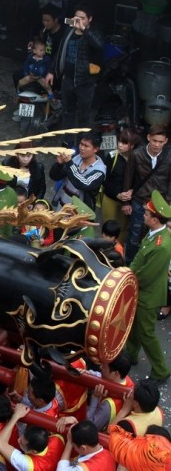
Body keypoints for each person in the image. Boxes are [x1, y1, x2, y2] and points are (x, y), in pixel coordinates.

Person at [123, 190, 171, 383]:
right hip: (142, 292)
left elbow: (147, 275)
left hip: (148, 295)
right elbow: (139, 259)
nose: (143, 216)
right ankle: (131, 355)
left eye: (146, 214)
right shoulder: (154, 235)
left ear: (154, 220)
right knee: (135, 326)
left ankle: (160, 370)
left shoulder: (161, 245)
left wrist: (127, 281)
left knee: (146, 333)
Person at [46, 3, 103, 147]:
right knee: (68, 112)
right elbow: (59, 53)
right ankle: (68, 142)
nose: (78, 20)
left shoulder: (93, 33)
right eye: (76, 17)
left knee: (84, 116)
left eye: (82, 18)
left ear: (89, 19)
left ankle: (82, 145)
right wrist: (52, 71)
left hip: (85, 83)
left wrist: (84, 30)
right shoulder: (69, 32)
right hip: (68, 80)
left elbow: (99, 45)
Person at [120, 125, 171, 263]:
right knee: (134, 236)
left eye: (160, 142)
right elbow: (128, 177)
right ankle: (130, 267)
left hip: (160, 203)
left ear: (165, 141)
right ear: (148, 138)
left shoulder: (168, 156)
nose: (157, 144)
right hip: (139, 201)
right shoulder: (137, 154)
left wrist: (168, 205)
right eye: (154, 140)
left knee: (157, 237)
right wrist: (125, 202)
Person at [0, 403, 65, 471]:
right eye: (22, 437)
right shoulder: (58, 439)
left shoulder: (29, 465)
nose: (18, 440)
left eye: (21, 442)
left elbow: (0, 443)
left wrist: (16, 416)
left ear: (33, 451)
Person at [100, 128, 141, 243]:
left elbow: (139, 180)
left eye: (124, 143)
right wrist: (117, 194)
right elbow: (104, 180)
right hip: (110, 198)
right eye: (119, 141)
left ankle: (119, 249)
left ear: (132, 146)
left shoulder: (138, 159)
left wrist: (131, 192)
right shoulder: (112, 157)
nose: (120, 145)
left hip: (127, 201)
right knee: (108, 226)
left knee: (122, 228)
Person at [49, 133, 106, 210]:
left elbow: (84, 184)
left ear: (95, 149)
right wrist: (59, 164)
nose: (82, 148)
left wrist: (69, 163)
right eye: (81, 144)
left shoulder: (99, 170)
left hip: (80, 213)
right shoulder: (76, 158)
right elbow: (55, 176)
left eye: (86, 146)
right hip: (62, 206)